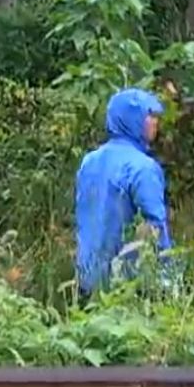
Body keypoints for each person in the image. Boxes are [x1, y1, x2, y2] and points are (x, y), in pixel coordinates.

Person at [74, 87, 173, 299]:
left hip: (87, 279)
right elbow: (155, 226)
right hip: (128, 287)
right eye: (149, 116)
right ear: (132, 119)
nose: (155, 122)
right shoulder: (143, 168)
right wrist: (168, 280)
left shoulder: (89, 161)